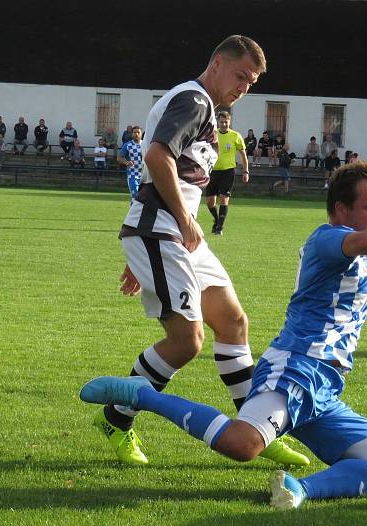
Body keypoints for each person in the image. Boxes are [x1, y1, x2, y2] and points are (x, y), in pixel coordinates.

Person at [80, 162, 367, 510]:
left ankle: (298, 490)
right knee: (242, 445)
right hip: (295, 368)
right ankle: (141, 395)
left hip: (324, 385)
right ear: (341, 210)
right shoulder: (329, 240)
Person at [93, 35, 307, 468]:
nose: (244, 87)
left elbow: (163, 176)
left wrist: (150, 246)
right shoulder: (195, 100)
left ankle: (255, 429)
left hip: (171, 233)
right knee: (187, 342)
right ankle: (116, 418)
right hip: (168, 230)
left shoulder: (200, 106)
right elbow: (157, 157)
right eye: (241, 75)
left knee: (232, 322)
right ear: (216, 63)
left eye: (251, 82)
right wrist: (178, 223)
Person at [205, 111, 248, 236]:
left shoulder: (236, 136)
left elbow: (243, 155)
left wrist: (246, 171)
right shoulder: (213, 135)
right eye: (222, 122)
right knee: (210, 202)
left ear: (230, 121)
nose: (224, 124)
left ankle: (219, 228)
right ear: (218, 122)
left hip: (228, 172)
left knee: (224, 199)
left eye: (226, 122)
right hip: (213, 171)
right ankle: (217, 220)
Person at [117, 125, 143, 199]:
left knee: (143, 198)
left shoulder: (146, 144)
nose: (136, 134)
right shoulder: (127, 145)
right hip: (132, 174)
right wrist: (126, 162)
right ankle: (134, 210)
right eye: (134, 132)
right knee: (135, 195)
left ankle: (137, 210)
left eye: (138, 132)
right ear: (132, 134)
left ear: (141, 134)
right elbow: (119, 157)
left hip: (144, 175)